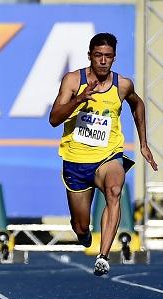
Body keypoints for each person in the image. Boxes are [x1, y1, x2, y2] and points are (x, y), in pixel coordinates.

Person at [49, 33, 158, 276]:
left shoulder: (123, 85)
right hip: (76, 161)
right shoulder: (72, 80)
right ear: (89, 56)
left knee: (115, 191)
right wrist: (79, 99)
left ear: (114, 58)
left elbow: (137, 104)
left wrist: (143, 143)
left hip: (108, 156)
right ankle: (83, 234)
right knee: (79, 225)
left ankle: (103, 255)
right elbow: (54, 119)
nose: (102, 61)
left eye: (108, 56)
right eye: (98, 55)